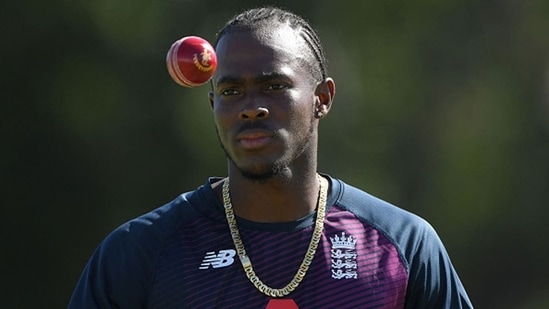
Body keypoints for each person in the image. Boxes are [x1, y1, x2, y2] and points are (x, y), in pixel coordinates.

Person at [69, 6, 473, 309]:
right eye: (230, 92)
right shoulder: (140, 252)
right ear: (213, 105)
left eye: (274, 85)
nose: (250, 107)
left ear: (322, 99)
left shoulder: (403, 246)